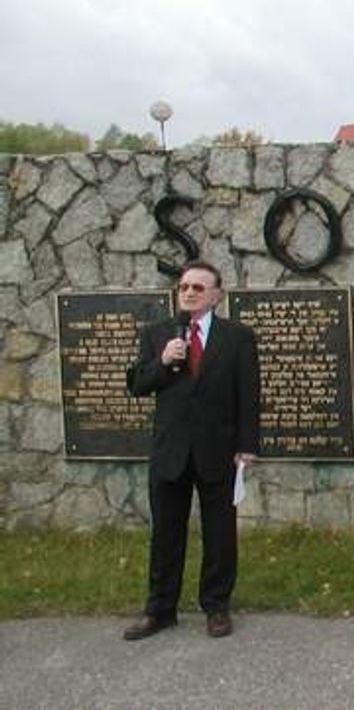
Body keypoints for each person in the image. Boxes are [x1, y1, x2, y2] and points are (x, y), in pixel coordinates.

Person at [122, 260, 260, 640]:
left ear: (216, 295)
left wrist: (247, 446)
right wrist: (164, 361)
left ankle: (216, 607)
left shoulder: (238, 337)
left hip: (218, 450)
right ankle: (160, 610)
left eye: (199, 287)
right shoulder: (157, 334)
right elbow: (137, 385)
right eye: (184, 286)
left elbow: (248, 393)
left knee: (219, 533)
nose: (189, 292)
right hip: (171, 452)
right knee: (166, 533)